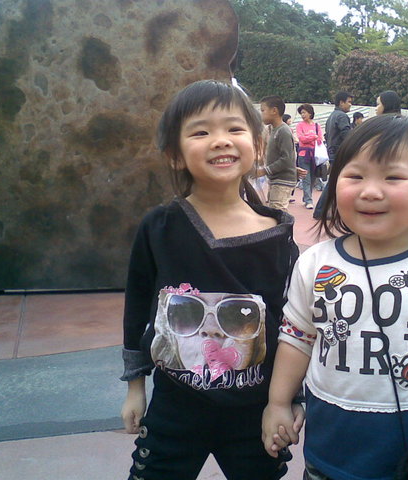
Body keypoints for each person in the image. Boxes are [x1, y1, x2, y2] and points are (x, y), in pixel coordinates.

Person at [262, 115, 408, 480]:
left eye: (393, 178)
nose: (370, 191)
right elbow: (297, 339)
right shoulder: (315, 263)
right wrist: (278, 402)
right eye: (355, 176)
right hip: (330, 451)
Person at [120, 80, 302, 480]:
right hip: (175, 405)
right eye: (201, 132)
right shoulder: (160, 227)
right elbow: (138, 306)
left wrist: (290, 398)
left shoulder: (276, 234)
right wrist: (136, 385)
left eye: (234, 129)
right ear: (175, 155)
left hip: (254, 410)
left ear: (257, 144)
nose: (220, 140)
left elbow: (292, 326)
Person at [313, 91, 354, 219]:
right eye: (349, 102)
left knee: (335, 182)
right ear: (341, 102)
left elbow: (327, 135)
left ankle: (324, 210)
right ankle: (321, 211)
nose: (350, 105)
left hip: (333, 152)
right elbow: (346, 135)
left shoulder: (332, 116)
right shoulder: (342, 116)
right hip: (340, 153)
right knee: (334, 182)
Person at [258, 95, 298, 211]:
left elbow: (286, 159)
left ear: (274, 111)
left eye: (263, 110)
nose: (261, 114)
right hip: (275, 179)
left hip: (282, 180)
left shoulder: (283, 131)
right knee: (274, 210)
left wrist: (265, 170)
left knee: (278, 211)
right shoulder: (272, 130)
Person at [296, 103, 324, 209]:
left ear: (310, 113)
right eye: (301, 113)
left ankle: (306, 197)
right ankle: (308, 200)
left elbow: (320, 139)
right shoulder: (300, 125)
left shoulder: (316, 125)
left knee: (313, 178)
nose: (302, 115)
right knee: (306, 178)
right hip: (303, 155)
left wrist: (309, 136)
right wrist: (313, 136)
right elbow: (301, 139)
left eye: (304, 112)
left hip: (315, 155)